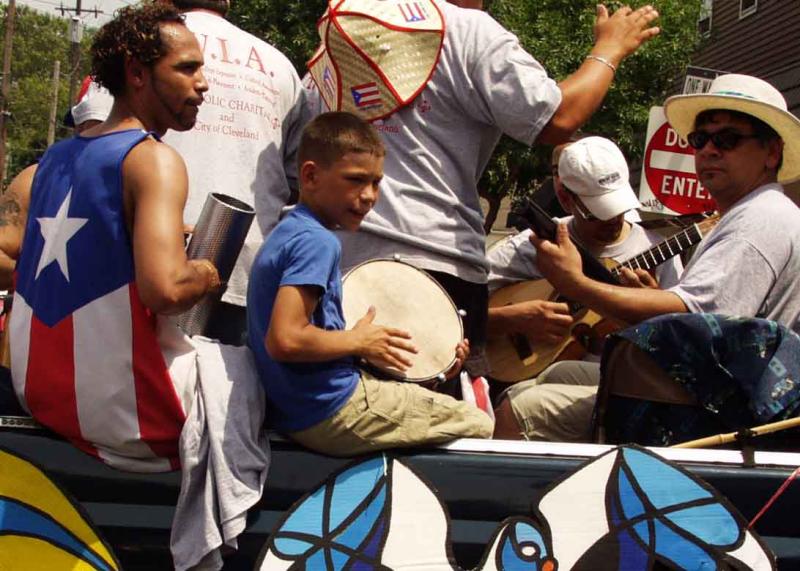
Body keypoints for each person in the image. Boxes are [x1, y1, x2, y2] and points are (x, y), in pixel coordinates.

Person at [310, 1, 660, 376]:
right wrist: (610, 48)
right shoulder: (468, 31)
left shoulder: (342, 34)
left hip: (333, 262)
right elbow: (558, 118)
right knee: (434, 423)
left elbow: (299, 160)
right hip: (436, 267)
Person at [494, 73, 800, 442]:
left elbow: (696, 317)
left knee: (520, 409)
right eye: (700, 139)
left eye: (728, 139)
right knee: (557, 376)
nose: (708, 150)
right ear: (565, 197)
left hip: (715, 411)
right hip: (707, 391)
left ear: (772, 152)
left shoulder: (759, 219)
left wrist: (575, 283)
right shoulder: (752, 213)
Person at [0, 3, 221, 471]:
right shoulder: (153, 160)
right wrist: (204, 271)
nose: (202, 83)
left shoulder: (54, 159)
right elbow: (165, 290)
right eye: (186, 69)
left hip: (40, 391)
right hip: (126, 419)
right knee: (256, 385)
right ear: (137, 74)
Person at [247, 111, 493, 457]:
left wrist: (363, 344)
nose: (369, 195)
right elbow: (285, 339)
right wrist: (357, 340)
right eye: (355, 180)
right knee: (477, 420)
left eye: (377, 182)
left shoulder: (289, 232)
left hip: (298, 410)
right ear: (311, 175)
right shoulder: (317, 242)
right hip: (329, 411)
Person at [161, 0, 308, 345]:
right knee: (229, 395)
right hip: (250, 275)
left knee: (145, 392)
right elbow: (299, 182)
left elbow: (99, 137)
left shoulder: (145, 47)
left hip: (148, 267)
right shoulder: (279, 66)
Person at [487, 137, 681, 351]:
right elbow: (456, 310)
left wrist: (655, 310)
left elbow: (683, 338)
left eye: (618, 208)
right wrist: (509, 319)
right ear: (566, 199)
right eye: (598, 212)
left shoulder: (656, 248)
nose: (612, 220)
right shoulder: (531, 246)